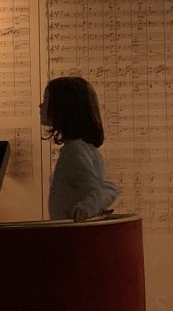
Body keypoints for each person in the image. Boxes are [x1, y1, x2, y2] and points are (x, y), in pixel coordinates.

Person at [40, 76, 119, 221]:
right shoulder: (82, 148)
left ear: (62, 108)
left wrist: (86, 207)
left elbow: (98, 190)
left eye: (46, 100)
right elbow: (108, 187)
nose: (41, 106)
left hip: (71, 233)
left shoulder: (74, 151)